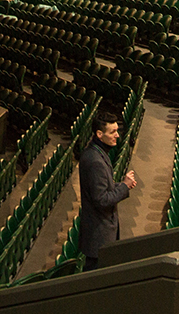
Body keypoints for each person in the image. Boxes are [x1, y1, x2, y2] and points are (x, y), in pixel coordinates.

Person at [79, 112, 138, 271]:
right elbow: (101, 200)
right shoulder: (95, 161)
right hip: (98, 235)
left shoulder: (98, 153)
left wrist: (121, 185)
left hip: (100, 233)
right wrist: (124, 186)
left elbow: (104, 188)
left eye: (117, 131)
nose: (117, 135)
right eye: (112, 132)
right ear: (99, 134)